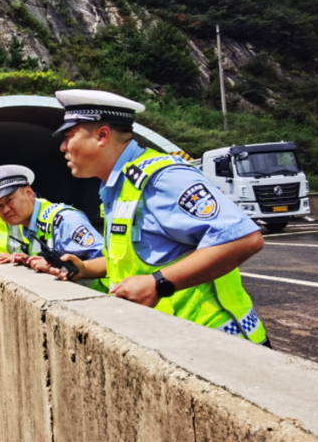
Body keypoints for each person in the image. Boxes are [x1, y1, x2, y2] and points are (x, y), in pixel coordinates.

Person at [48, 89, 270, 346]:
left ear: (102, 135)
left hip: (219, 343)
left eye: (68, 137)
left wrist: (158, 284)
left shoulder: (162, 177)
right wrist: (85, 269)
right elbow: (134, 260)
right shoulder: (117, 186)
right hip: (174, 343)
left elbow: (245, 239)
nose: (63, 147)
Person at [0, 164, 105, 289]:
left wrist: (77, 268)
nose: (5, 210)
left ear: (29, 193)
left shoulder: (64, 220)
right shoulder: (26, 225)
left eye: (9, 200)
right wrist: (26, 260)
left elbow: (108, 262)